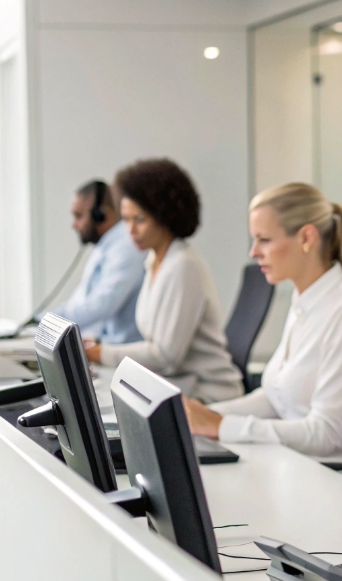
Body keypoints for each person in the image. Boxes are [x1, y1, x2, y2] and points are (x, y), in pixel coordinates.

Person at [184, 182, 342, 464]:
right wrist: (203, 415)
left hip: (328, 480)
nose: (253, 252)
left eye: (264, 239)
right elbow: (275, 400)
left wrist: (221, 426)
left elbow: (324, 433)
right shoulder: (306, 300)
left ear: (307, 237)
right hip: (290, 462)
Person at [84, 159, 243, 403]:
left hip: (208, 395)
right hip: (176, 387)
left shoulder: (182, 265)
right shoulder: (154, 261)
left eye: (139, 220)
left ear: (165, 216)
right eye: (126, 220)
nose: (131, 231)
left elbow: (166, 356)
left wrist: (99, 353)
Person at [50, 179, 145, 343]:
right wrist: (48, 320)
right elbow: (81, 299)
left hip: (125, 352)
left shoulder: (127, 246)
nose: (74, 225)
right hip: (106, 346)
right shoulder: (104, 247)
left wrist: (52, 323)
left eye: (78, 216)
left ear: (100, 215)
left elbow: (102, 304)